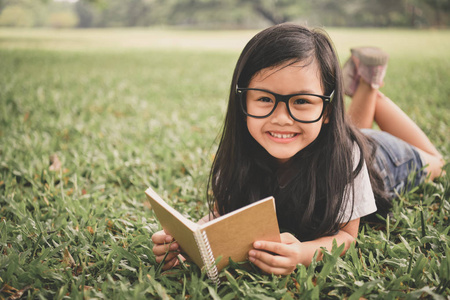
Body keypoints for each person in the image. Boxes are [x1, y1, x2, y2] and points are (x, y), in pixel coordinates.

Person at [151, 23, 444, 276]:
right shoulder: (238, 152)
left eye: (302, 100)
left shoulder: (347, 157)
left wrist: (304, 253)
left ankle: (371, 90)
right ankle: (363, 91)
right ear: (242, 102)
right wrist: (185, 241)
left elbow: (347, 236)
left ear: (328, 108)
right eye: (264, 99)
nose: (281, 117)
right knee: (353, 129)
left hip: (385, 160)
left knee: (438, 163)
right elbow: (221, 216)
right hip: (338, 133)